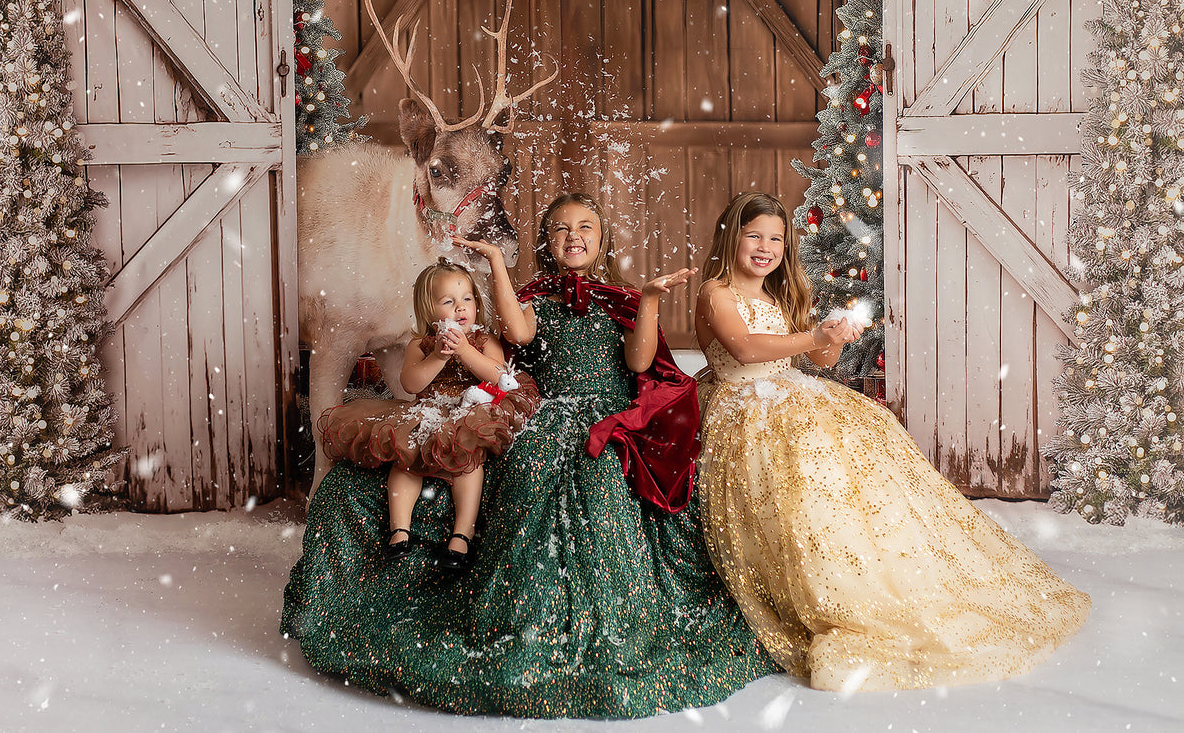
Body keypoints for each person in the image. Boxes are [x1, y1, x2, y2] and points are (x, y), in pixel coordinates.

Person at [282, 192, 777, 718]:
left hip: (607, 412)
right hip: (549, 409)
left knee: (597, 479)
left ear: (601, 236)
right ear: (547, 240)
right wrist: (496, 261)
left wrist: (651, 299)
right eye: (561, 228)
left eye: (586, 227)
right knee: (532, 467)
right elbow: (516, 334)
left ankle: (596, 614)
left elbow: (639, 359)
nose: (574, 237)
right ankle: (506, 602)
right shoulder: (535, 298)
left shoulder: (622, 297)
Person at [693, 191, 1091, 692]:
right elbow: (746, 347)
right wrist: (815, 337)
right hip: (743, 402)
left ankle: (887, 565)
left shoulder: (780, 296)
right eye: (754, 235)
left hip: (790, 392)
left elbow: (818, 364)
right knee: (796, 470)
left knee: (859, 455)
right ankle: (825, 582)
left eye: (776, 238)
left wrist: (834, 337)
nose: (765, 247)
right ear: (733, 235)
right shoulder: (717, 292)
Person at [316, 259, 539, 571]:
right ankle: (399, 530)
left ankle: (463, 534)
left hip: (470, 412)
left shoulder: (483, 339)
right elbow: (410, 383)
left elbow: (497, 373)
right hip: (427, 411)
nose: (461, 308)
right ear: (429, 310)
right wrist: (437, 356)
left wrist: (464, 351)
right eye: (449, 301)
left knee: (467, 464)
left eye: (467, 299)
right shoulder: (419, 345)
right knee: (405, 461)